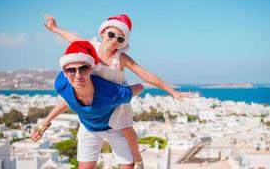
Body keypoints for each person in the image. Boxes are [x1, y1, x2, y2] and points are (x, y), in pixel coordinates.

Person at [44, 13, 194, 167]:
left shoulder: (121, 58)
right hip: (99, 97)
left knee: (127, 129)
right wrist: (55, 29)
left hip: (117, 98)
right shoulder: (90, 47)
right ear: (103, 33)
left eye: (120, 38)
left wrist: (172, 91)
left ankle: (137, 157)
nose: (114, 39)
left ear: (123, 43)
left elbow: (145, 74)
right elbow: (72, 38)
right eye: (111, 34)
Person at [31, 41, 144, 169]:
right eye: (71, 70)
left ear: (91, 69)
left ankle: (138, 158)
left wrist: (122, 91)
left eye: (83, 69)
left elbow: (140, 87)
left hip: (113, 127)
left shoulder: (109, 92)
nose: (78, 75)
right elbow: (68, 101)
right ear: (64, 73)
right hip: (88, 128)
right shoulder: (62, 84)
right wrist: (43, 125)